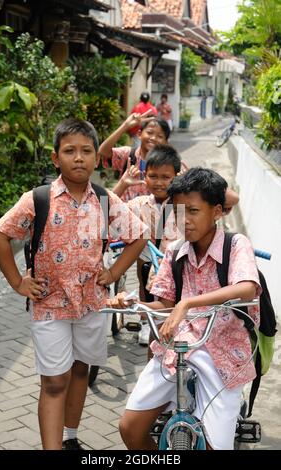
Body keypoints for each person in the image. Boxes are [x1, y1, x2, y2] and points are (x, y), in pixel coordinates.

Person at [0, 118, 148, 450]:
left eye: (86, 151)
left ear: (95, 157)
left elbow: (138, 236)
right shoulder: (39, 199)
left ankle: (70, 436)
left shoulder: (105, 200)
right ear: (55, 157)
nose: (79, 158)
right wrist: (18, 283)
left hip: (92, 305)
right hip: (49, 306)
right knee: (53, 382)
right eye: (70, 151)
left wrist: (114, 272)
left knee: (79, 371)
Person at [114, 167, 260, 450]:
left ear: (217, 211)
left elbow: (247, 288)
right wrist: (132, 304)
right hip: (176, 350)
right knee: (130, 429)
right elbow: (165, 305)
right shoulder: (175, 251)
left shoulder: (236, 245)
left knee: (217, 446)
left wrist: (188, 303)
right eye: (178, 213)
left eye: (193, 211)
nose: (185, 220)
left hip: (222, 353)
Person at [126, 145, 183, 345]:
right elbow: (106, 208)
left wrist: (187, 183)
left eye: (166, 177)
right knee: (157, 335)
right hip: (152, 271)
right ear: (145, 176)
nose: (159, 183)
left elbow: (230, 198)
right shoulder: (138, 204)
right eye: (153, 176)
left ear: (177, 176)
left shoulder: (186, 203)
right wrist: (123, 184)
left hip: (182, 274)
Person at [99, 114, 171, 202]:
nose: (153, 138)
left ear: (166, 142)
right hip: (123, 213)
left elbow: (180, 208)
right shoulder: (128, 155)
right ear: (139, 134)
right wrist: (125, 125)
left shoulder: (170, 166)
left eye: (160, 136)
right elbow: (103, 151)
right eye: (149, 133)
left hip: (154, 214)